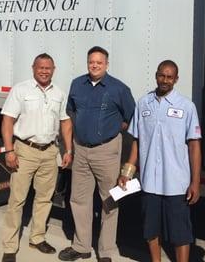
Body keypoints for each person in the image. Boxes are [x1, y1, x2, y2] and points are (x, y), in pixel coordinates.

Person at [118, 60, 202, 262]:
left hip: (176, 184)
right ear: (156, 75)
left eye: (169, 77)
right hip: (149, 183)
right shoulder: (143, 103)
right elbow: (137, 141)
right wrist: (127, 172)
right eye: (161, 76)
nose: (165, 80)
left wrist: (195, 182)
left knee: (180, 233)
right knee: (150, 229)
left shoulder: (186, 107)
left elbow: (194, 146)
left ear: (176, 79)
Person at [58, 46, 135, 262]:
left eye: (99, 62)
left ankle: (106, 250)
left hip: (106, 151)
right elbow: (71, 110)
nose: (95, 65)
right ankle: (81, 246)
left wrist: (116, 128)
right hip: (81, 150)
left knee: (110, 200)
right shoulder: (77, 84)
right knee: (79, 199)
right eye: (91, 62)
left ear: (107, 65)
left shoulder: (118, 88)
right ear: (87, 63)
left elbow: (132, 116)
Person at [0, 53, 73, 262]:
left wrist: (68, 150)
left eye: (48, 68)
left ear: (54, 69)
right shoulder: (21, 90)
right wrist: (9, 150)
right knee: (17, 200)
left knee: (44, 198)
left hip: (50, 151)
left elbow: (65, 122)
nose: (44, 71)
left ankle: (37, 237)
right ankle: (10, 246)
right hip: (25, 150)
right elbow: (7, 120)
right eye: (40, 67)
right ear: (33, 68)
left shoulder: (59, 93)